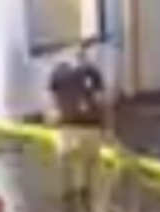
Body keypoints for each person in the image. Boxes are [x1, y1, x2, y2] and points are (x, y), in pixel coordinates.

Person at [49, 50, 108, 211]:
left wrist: (55, 118)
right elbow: (101, 101)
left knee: (65, 163)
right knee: (91, 166)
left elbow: (52, 101)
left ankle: (67, 198)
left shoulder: (58, 72)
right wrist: (106, 127)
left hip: (67, 127)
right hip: (91, 127)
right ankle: (86, 196)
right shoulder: (93, 72)